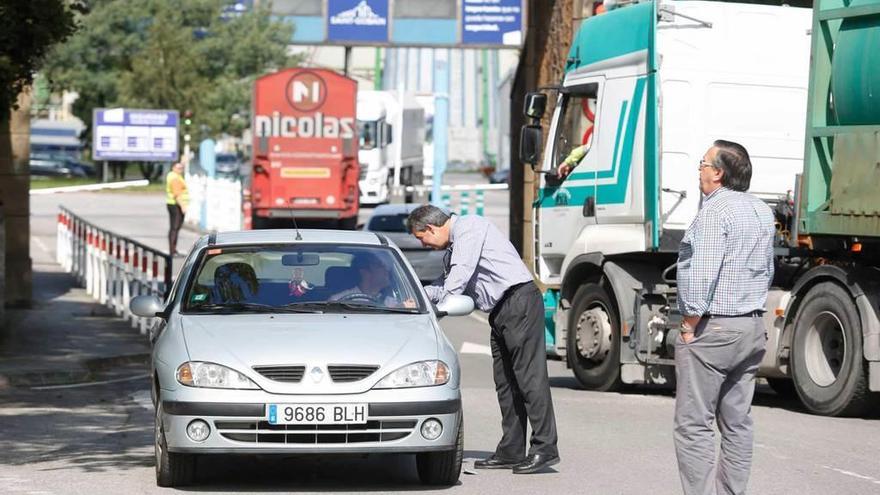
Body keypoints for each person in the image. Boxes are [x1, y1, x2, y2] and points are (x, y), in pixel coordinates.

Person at [406, 205, 559, 475]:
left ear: (430, 228)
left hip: (518, 301)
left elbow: (458, 277)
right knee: (506, 383)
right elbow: (446, 283)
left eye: (422, 238)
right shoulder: (455, 246)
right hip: (501, 310)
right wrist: (416, 296)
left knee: (529, 379)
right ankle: (511, 450)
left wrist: (439, 310)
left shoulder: (469, 228)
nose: (425, 245)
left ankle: (544, 448)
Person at [674, 140, 775, 495]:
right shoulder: (762, 210)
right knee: (737, 422)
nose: (698, 170)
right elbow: (767, 269)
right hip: (751, 325)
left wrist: (688, 324)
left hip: (714, 327)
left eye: (702, 163)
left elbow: (702, 272)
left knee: (694, 424)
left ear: (718, 173)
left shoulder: (715, 211)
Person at [330, 253, 415, 308]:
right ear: (365, 272)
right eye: (380, 266)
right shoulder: (338, 300)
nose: (386, 270)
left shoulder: (391, 302)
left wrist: (402, 306)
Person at [165, 162, 189, 256]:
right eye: (178, 168)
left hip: (173, 204)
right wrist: (183, 206)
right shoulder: (175, 178)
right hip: (176, 205)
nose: (180, 169)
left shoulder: (174, 176)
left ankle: (173, 248)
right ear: (173, 168)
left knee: (175, 228)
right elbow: (177, 194)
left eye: (181, 168)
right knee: (175, 227)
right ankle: (172, 250)